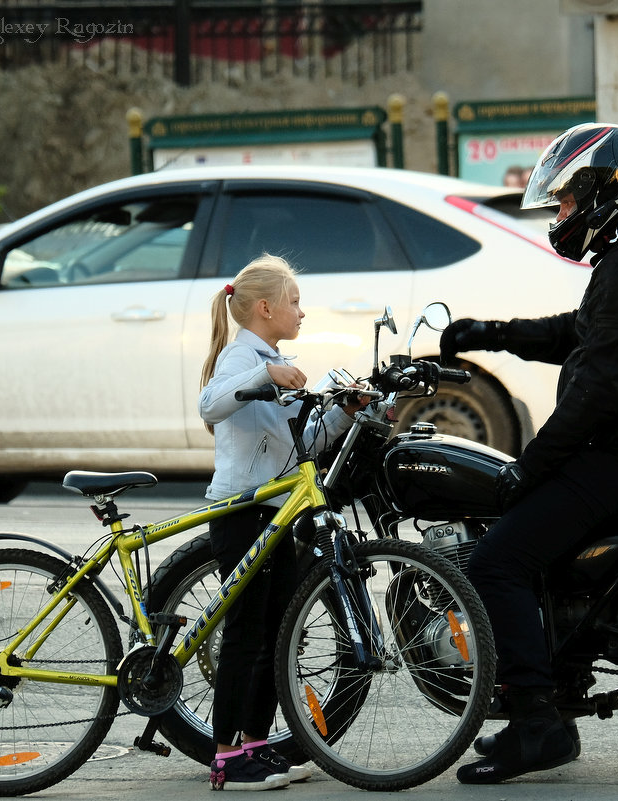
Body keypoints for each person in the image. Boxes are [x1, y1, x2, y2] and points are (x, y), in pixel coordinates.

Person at [440, 123, 618, 785]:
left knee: (498, 559)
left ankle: (538, 722)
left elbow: (598, 388)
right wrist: (492, 334)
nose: (561, 215)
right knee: (542, 550)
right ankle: (560, 673)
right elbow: (586, 332)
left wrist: (529, 466)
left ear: (604, 188)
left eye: (567, 201)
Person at [198, 254, 362, 791]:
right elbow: (210, 404)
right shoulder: (239, 357)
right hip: (242, 513)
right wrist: (265, 375)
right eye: (294, 302)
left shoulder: (272, 358)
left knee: (278, 633)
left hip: (277, 512)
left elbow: (302, 448)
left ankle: (255, 744)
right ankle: (225, 755)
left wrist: (346, 412)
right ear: (265, 308)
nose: (302, 312)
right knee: (246, 632)